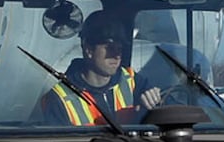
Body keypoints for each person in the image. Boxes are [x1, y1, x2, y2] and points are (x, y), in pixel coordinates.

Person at [28, 10, 163, 125]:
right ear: (89, 50)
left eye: (119, 48)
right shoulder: (60, 99)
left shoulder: (133, 82)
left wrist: (155, 101)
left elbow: (164, 109)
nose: (116, 56)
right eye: (109, 48)